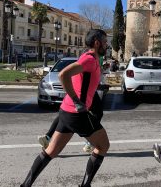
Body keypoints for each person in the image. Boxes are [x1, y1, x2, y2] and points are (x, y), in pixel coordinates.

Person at [21, 29, 110, 187]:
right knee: (103, 145)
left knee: (51, 152)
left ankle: (25, 185)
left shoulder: (91, 58)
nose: (107, 45)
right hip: (77, 114)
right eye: (104, 42)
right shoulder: (88, 59)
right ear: (97, 42)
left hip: (66, 112)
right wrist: (77, 100)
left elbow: (82, 80)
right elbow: (63, 75)